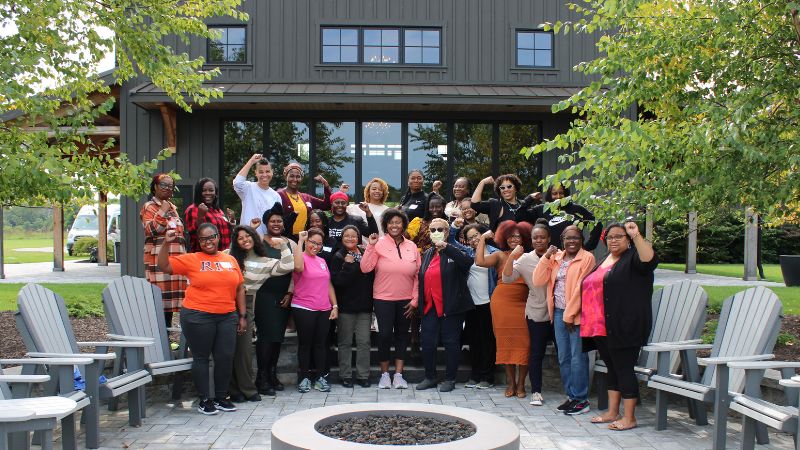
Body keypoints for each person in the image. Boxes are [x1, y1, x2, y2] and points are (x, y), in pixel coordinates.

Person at [157, 223, 245, 415]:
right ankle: (205, 399)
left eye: (211, 237)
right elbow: (163, 265)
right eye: (204, 239)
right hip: (198, 315)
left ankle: (221, 397)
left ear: (217, 237)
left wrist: (242, 315)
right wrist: (165, 243)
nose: (208, 242)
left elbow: (239, 288)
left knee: (225, 357)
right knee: (201, 358)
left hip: (227, 315)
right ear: (199, 240)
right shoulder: (192, 259)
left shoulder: (230, 260)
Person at [584, 221, 657, 431]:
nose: (613, 240)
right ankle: (612, 412)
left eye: (619, 236)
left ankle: (630, 417)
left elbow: (649, 260)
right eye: (610, 237)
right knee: (612, 369)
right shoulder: (604, 259)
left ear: (627, 240)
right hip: (601, 325)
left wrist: (636, 235)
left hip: (625, 325)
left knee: (624, 368)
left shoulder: (634, 257)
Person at [532, 225, 596, 416]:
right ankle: (571, 396)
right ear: (562, 240)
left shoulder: (587, 258)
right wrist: (546, 257)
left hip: (576, 314)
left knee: (578, 358)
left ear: (581, 240)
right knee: (564, 357)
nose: (572, 241)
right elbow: (538, 280)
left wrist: (570, 314)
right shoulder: (557, 258)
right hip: (558, 313)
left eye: (575, 238)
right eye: (568, 238)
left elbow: (581, 288)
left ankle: (581, 399)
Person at [226, 224, 294, 400]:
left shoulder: (266, 262)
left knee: (244, 350)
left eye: (247, 236)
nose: (245, 240)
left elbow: (288, 265)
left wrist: (283, 246)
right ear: (236, 242)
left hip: (246, 305)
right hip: (225, 303)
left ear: (254, 237)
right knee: (226, 350)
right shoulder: (229, 256)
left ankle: (247, 389)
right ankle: (232, 391)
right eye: (240, 238)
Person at [360, 209, 420, 389]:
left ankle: (399, 375)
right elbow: (365, 268)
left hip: (406, 300)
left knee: (403, 337)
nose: (395, 225)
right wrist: (370, 246)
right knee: (385, 335)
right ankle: (385, 374)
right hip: (383, 298)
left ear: (403, 225)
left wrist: (415, 299)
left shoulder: (412, 246)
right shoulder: (378, 244)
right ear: (386, 225)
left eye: (398, 222)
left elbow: (418, 275)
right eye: (391, 222)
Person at [414, 218, 474, 392]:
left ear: (447, 232)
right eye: (432, 230)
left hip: (451, 307)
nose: (436, 232)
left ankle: (450, 379)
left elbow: (467, 263)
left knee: (451, 343)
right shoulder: (427, 253)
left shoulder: (456, 249)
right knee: (427, 343)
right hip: (429, 306)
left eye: (440, 229)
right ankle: (430, 377)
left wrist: (447, 247)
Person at [476, 221, 532, 399]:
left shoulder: (530, 256)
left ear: (524, 237)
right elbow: (479, 261)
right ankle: (511, 383)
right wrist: (482, 239)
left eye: (517, 236)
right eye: (510, 236)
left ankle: (522, 384)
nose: (514, 239)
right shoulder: (500, 255)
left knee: (524, 344)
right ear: (504, 238)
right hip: (502, 303)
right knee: (505, 343)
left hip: (524, 302)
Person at [502, 219, 552, 406]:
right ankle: (536, 391)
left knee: (566, 355)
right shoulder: (525, 259)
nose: (539, 240)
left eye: (542, 237)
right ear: (531, 240)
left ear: (549, 239)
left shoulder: (558, 255)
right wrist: (512, 257)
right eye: (535, 238)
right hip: (537, 311)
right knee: (536, 352)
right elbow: (507, 278)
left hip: (560, 311)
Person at [254, 205, 298, 394]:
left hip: (283, 296)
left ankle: (272, 374)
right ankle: (261, 377)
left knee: (277, 338)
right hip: (263, 296)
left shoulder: (291, 243)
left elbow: (296, 272)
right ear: (266, 223)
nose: (276, 224)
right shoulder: (259, 242)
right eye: (272, 221)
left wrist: (289, 293)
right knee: (266, 337)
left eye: (279, 220)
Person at [450, 223, 498, 389]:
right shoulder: (468, 252)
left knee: (487, 342)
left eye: (476, 235)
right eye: (470, 238)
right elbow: (450, 241)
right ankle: (476, 374)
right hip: (471, 305)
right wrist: (455, 227)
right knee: (474, 341)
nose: (473, 239)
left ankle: (487, 377)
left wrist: (485, 239)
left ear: (483, 234)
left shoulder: (494, 252)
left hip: (489, 303)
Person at [292, 228, 339, 393]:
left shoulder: (322, 261)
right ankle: (304, 377)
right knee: (305, 345)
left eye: (319, 244)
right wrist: (299, 241)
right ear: (307, 241)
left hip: (324, 308)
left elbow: (328, 285)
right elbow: (297, 268)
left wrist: (335, 306)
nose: (316, 246)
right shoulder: (300, 257)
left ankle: (320, 377)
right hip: (303, 307)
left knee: (320, 345)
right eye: (313, 242)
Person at [140, 173, 187, 327]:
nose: (167, 188)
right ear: (155, 187)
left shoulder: (173, 208)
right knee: (160, 305)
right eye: (163, 185)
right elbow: (151, 230)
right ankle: (159, 344)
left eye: (170, 186)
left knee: (170, 307)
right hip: (159, 263)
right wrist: (163, 211)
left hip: (175, 263)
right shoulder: (150, 207)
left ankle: (167, 344)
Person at [330, 225, 374, 388]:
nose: (350, 239)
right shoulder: (338, 256)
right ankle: (346, 375)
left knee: (364, 342)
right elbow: (337, 282)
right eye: (346, 236)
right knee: (345, 342)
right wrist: (347, 265)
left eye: (353, 236)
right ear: (342, 238)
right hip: (346, 308)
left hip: (364, 307)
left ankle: (363, 375)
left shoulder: (364, 254)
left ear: (358, 237)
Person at [517, 183, 602, 251]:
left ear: (566, 194)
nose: (558, 197)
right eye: (554, 193)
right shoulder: (542, 209)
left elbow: (597, 224)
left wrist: (589, 247)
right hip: (549, 256)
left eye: (561, 193)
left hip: (574, 256)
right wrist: (529, 198)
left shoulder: (577, 209)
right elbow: (519, 217)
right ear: (549, 195)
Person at [277, 162, 332, 238]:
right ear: (285, 176)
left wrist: (326, 185)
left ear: (301, 178)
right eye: (291, 176)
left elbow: (327, 205)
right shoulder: (278, 195)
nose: (295, 179)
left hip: (305, 239)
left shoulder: (306, 197)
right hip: (286, 239)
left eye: (298, 176)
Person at [233, 153, 282, 235]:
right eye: (261, 172)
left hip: (267, 240)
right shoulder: (248, 188)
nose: (264, 175)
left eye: (267, 171)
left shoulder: (276, 196)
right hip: (247, 238)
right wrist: (251, 161)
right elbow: (237, 183)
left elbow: (278, 219)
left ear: (272, 172)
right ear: (256, 173)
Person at [185, 177, 235, 252]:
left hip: (223, 255)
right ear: (198, 192)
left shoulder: (218, 211)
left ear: (215, 193)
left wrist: (232, 221)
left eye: (211, 190)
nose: (208, 193)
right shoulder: (192, 209)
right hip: (205, 257)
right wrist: (200, 216)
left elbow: (226, 234)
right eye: (204, 190)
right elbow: (194, 234)